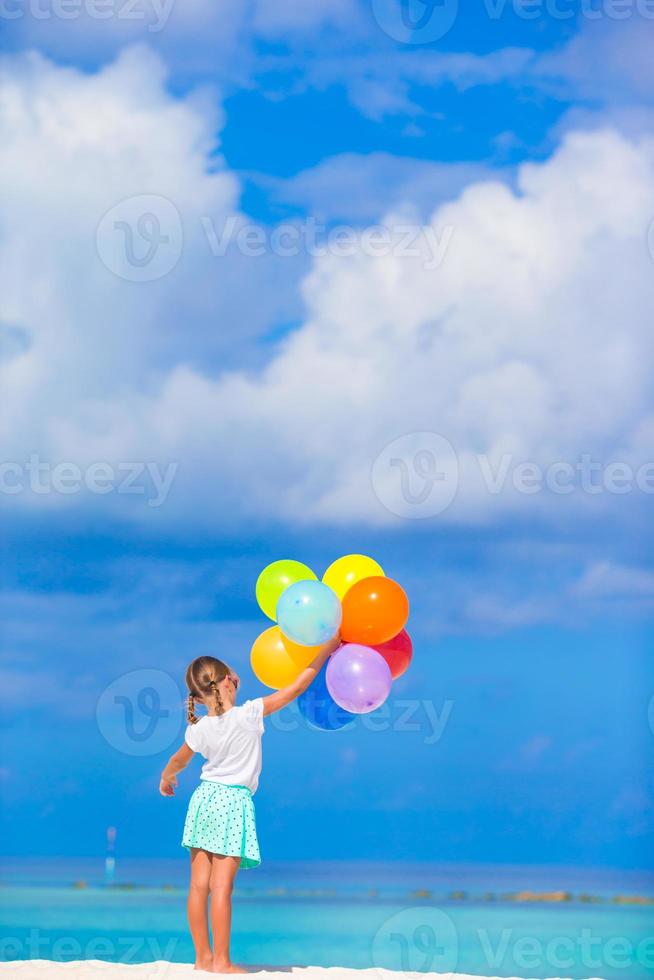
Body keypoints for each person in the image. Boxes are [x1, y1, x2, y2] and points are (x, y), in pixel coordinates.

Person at [159, 638, 339, 973]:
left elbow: (177, 761)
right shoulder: (250, 713)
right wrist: (325, 651)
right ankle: (223, 963)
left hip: (204, 799)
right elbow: (296, 688)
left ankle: (203, 960)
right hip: (232, 803)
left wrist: (166, 779)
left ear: (197, 696)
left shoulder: (198, 728)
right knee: (221, 888)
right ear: (229, 681)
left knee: (198, 886)